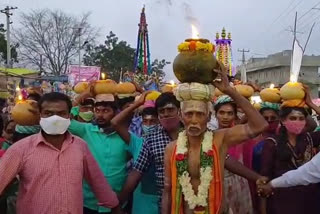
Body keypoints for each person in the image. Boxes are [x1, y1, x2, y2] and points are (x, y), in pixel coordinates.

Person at [162, 65, 268, 214]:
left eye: (199, 114)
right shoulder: (171, 149)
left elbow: (260, 125)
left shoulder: (220, 139)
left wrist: (230, 91)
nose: (194, 120)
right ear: (180, 115)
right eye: (189, 114)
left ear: (209, 116)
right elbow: (168, 189)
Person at [0, 92, 119, 214]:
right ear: (40, 116)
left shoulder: (80, 146)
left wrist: (113, 204)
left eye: (61, 114)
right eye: (48, 113)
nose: (55, 118)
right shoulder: (21, 149)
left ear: (69, 116)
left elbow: (97, 180)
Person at [70, 91, 141, 214]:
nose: (100, 115)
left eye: (106, 111)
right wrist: (83, 96)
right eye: (97, 111)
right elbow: (63, 117)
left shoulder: (124, 136)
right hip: (89, 202)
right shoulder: (86, 130)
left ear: (116, 113)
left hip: (116, 201)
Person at [116, 92, 182, 212]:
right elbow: (136, 172)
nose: (166, 114)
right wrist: (119, 202)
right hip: (165, 204)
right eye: (162, 111)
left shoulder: (193, 134)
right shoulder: (151, 139)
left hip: (193, 202)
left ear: (179, 111)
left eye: (170, 110)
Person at [259, 87, 320, 214]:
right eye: (292, 118)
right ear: (283, 120)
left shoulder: (310, 138)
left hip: (309, 199)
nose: (297, 122)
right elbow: (264, 178)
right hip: (283, 200)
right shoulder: (272, 143)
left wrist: (310, 104)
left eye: (301, 118)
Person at [111, 93, 160, 214]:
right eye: (145, 122)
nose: (148, 125)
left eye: (152, 121)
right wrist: (137, 104)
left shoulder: (168, 142)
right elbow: (115, 123)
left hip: (162, 202)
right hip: (141, 205)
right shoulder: (138, 142)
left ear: (159, 122)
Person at [213, 95, 254, 214]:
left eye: (230, 113)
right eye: (222, 112)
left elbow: (258, 122)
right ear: (215, 114)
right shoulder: (210, 136)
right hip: (220, 185)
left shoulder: (240, 134)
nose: (225, 117)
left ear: (235, 115)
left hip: (240, 184)